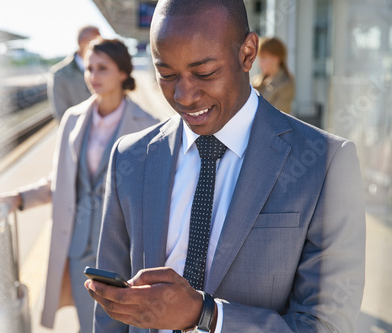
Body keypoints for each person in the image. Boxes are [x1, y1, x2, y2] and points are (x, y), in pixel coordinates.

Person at [85, 0, 365, 332]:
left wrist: (207, 316)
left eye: (205, 73)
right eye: (167, 74)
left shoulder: (327, 164)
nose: (185, 96)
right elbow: (111, 316)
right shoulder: (130, 157)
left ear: (248, 53)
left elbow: (328, 325)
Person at [0, 38, 158, 332]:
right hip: (77, 247)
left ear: (123, 72)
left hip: (120, 248)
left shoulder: (148, 126)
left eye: (102, 68)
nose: (93, 76)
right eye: (89, 68)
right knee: (88, 324)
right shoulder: (73, 120)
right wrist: (21, 198)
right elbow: (60, 182)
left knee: (121, 323)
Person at [48, 25, 100, 119]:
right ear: (82, 42)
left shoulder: (108, 67)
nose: (101, 45)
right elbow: (61, 113)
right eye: (96, 41)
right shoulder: (60, 73)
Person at [252, 37, 295, 114]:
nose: (260, 63)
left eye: (264, 58)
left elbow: (275, 116)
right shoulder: (256, 81)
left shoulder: (286, 84)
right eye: (259, 58)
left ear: (277, 58)